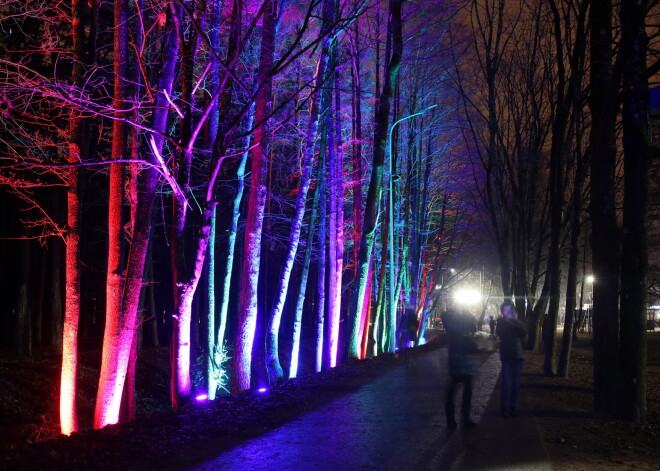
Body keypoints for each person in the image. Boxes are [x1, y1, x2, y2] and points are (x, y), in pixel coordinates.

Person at [442, 308, 478, 429]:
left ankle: (461, 418)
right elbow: (445, 317)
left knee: (463, 391)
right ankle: (455, 419)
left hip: (463, 363)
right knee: (454, 391)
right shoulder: (454, 327)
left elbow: (473, 329)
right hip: (458, 362)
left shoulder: (460, 330)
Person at [496, 301, 527, 417]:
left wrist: (514, 320)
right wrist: (512, 321)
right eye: (505, 310)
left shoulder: (517, 322)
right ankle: (504, 407)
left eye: (510, 309)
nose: (508, 311)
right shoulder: (501, 322)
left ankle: (512, 406)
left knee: (515, 384)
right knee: (506, 383)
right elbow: (500, 333)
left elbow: (524, 332)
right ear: (503, 311)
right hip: (507, 356)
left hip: (518, 355)